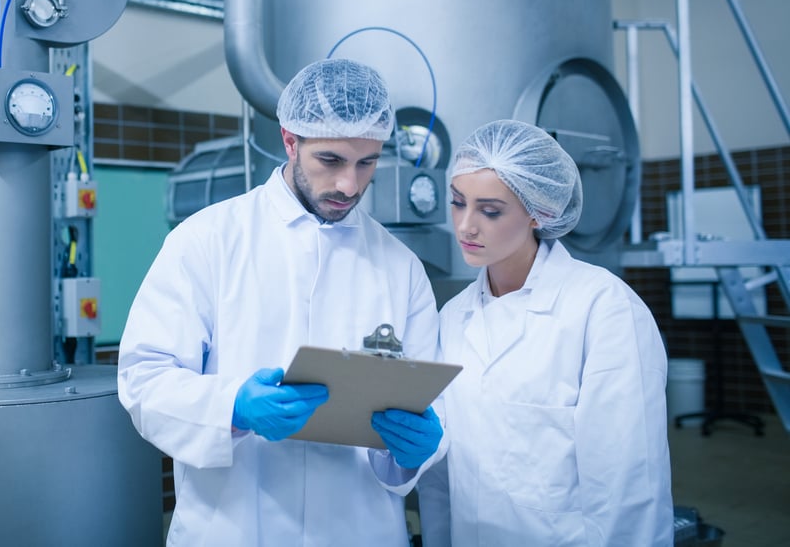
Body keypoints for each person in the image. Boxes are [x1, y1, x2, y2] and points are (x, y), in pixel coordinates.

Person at [117, 58, 447, 546]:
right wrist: (232, 406)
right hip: (232, 527)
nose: (349, 185)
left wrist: (414, 450)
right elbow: (143, 380)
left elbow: (426, 404)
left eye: (367, 163)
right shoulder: (209, 239)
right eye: (331, 161)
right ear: (290, 140)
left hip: (359, 529)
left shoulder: (401, 268)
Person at [418, 119, 673, 546]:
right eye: (458, 203)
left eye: (490, 210)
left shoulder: (604, 310)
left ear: (542, 211)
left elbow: (629, 488)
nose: (465, 226)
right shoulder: (453, 316)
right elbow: (442, 480)